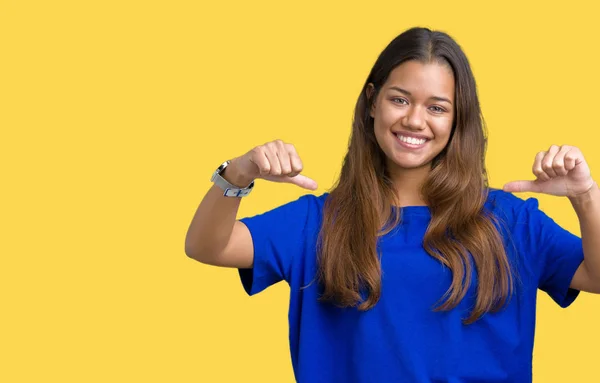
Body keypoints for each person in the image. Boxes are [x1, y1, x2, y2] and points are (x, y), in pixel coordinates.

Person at [185, 27, 600, 382]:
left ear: (457, 120)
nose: (415, 121)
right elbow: (207, 246)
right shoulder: (319, 221)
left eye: (437, 108)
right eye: (400, 99)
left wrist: (585, 196)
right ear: (371, 101)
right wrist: (238, 173)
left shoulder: (510, 221)